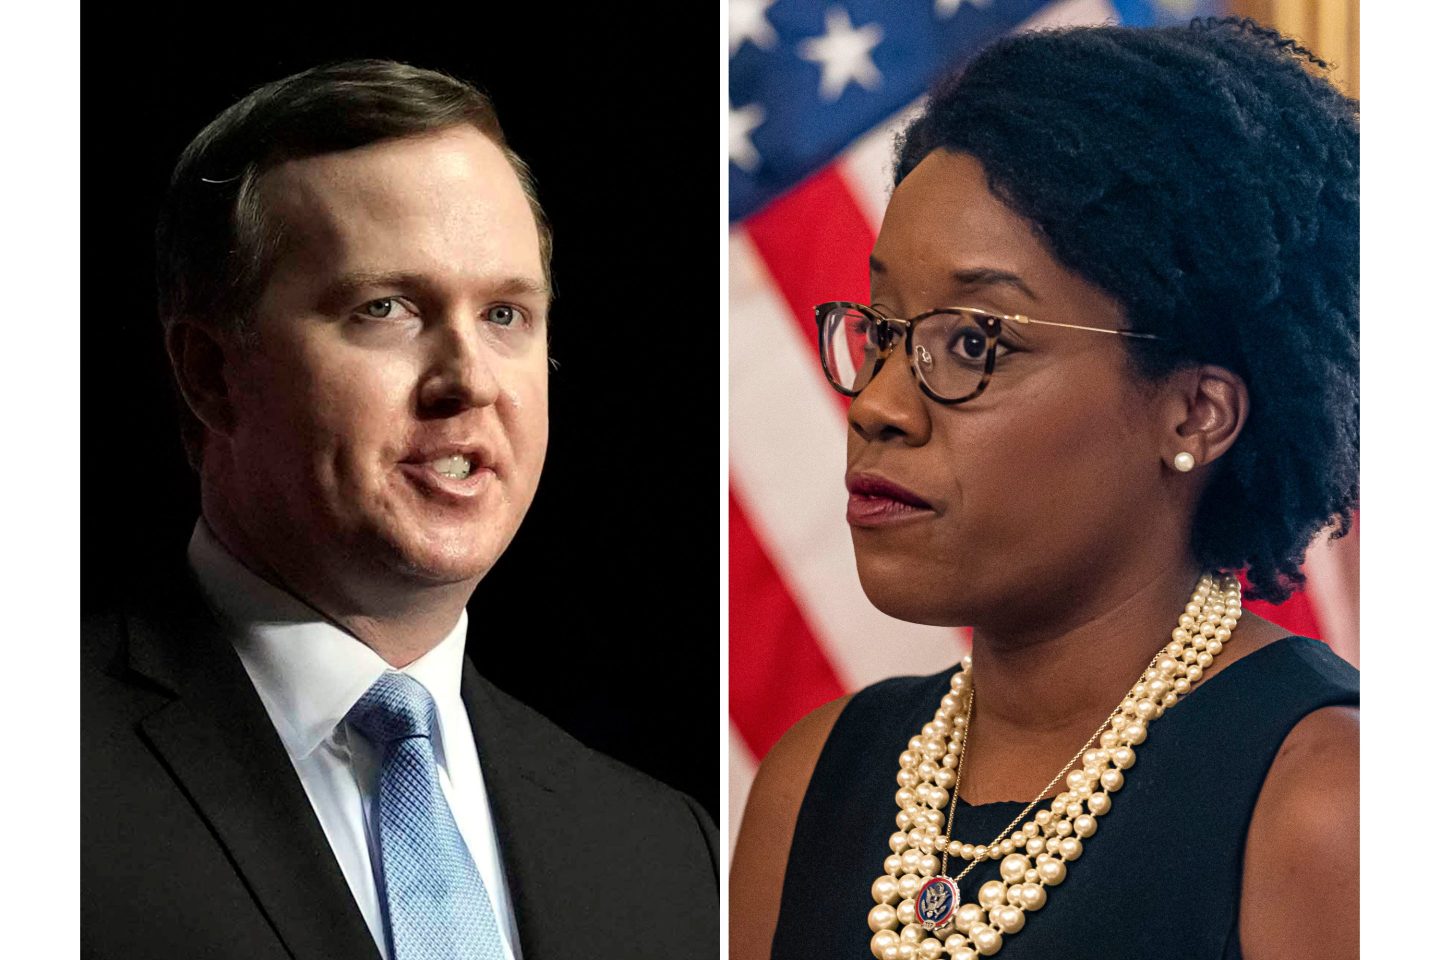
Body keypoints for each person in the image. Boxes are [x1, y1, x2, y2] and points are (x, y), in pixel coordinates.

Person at [731, 18, 1358, 960]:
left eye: (974, 342)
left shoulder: (1327, 801)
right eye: (883, 331)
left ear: (1194, 414)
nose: (878, 404)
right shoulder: (813, 782)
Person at [82, 60, 717, 960]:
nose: (468, 381)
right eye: (386, 308)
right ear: (212, 374)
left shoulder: (664, 853)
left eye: (505, 315)